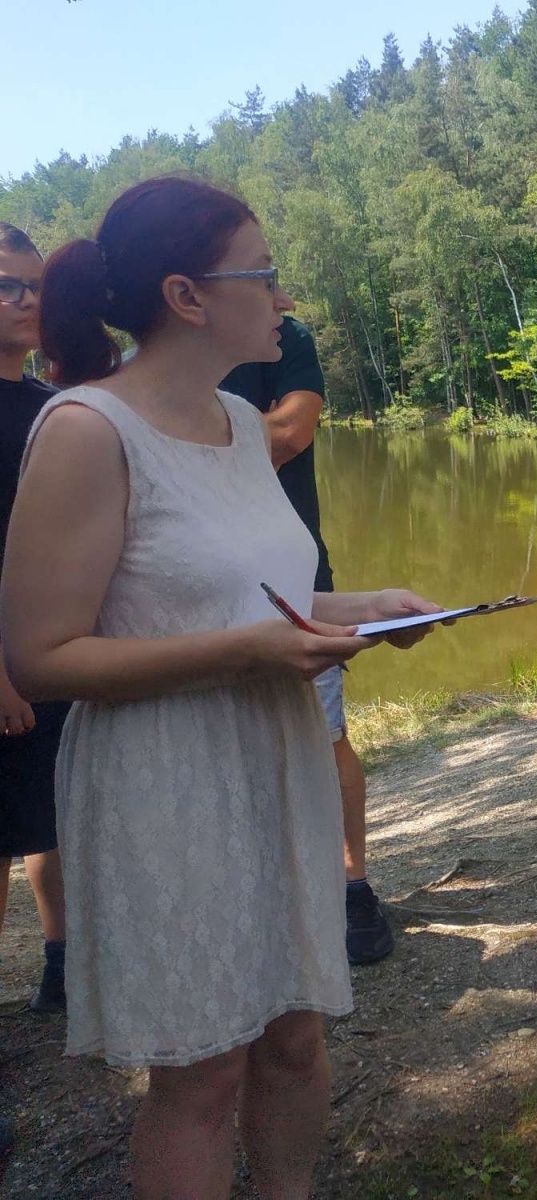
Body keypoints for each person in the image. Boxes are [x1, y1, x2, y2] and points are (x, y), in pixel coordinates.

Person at [2, 176, 440, 1200]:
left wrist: (367, 606)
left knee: (293, 1037)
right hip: (164, 780)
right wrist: (239, 654)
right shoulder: (84, 431)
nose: (284, 296)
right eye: (266, 273)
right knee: (200, 1073)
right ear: (188, 296)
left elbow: (266, 598)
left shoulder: (245, 423)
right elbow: (41, 656)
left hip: (274, 758)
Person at [220, 317, 392, 964]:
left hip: (298, 578)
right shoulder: (143, 358)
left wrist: (185, 429)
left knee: (325, 735)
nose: (275, 293)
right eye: (258, 274)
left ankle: (353, 890)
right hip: (196, 585)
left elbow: (291, 433)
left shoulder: (284, 339)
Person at [0, 223, 68, 1015]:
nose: (28, 301)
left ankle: (64, 965)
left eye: (37, 285)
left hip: (50, 657)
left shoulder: (53, 407)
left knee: (53, 819)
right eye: (9, 287)